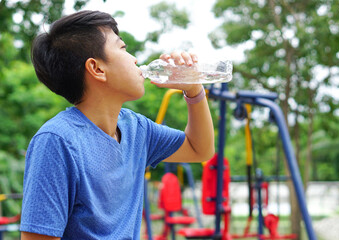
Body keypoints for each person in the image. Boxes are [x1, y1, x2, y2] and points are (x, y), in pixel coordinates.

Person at [20, 10, 214, 240]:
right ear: (97, 69)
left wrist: (193, 89)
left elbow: (200, 149)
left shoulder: (136, 128)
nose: (134, 59)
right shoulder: (57, 141)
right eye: (123, 48)